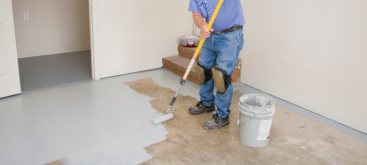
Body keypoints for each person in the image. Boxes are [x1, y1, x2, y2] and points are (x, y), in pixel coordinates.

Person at [187, 0, 245, 130]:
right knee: (202, 69)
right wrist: (202, 25)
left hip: (230, 36)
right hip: (210, 35)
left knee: (221, 76)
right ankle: (207, 103)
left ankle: (222, 115)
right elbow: (196, 16)